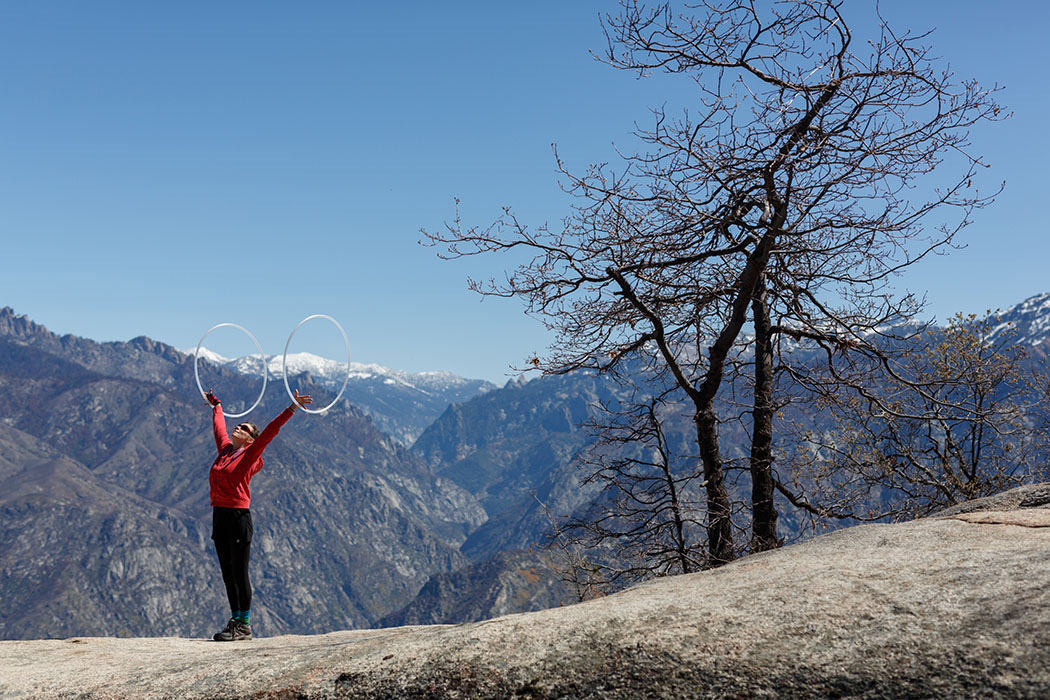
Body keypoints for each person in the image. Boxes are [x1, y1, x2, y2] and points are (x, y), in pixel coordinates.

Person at [204, 387, 312, 641]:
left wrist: (292, 408)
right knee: (227, 573)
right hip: (219, 516)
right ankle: (235, 620)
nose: (238, 428)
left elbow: (271, 431)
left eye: (245, 429)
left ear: (251, 440)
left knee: (240, 572)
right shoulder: (225, 452)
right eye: (238, 426)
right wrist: (216, 404)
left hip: (239, 518)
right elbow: (219, 427)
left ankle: (244, 624)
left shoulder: (250, 455)